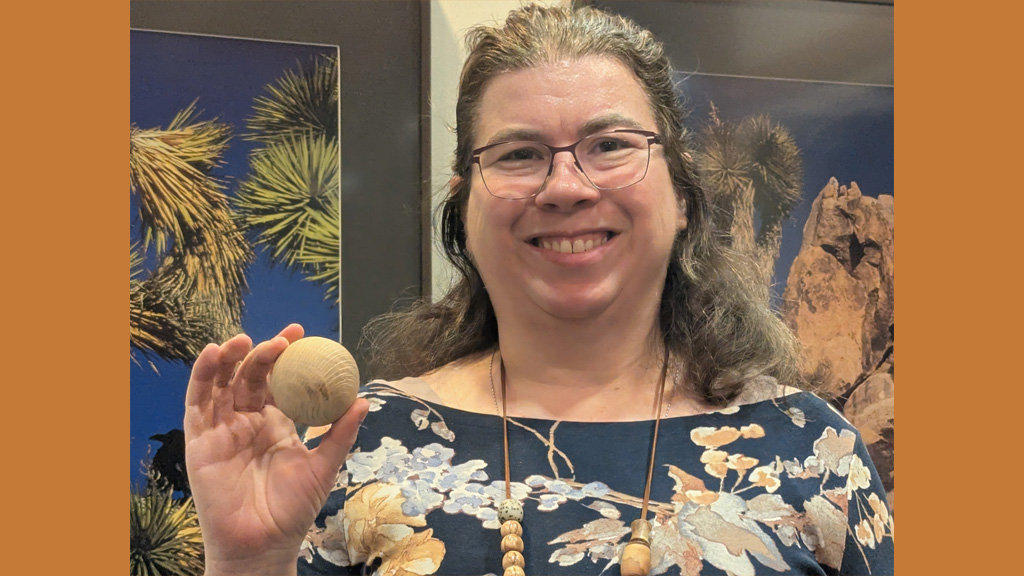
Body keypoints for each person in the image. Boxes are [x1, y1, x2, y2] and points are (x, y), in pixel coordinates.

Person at [184, 4, 894, 576]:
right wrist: (248, 562)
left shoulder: (811, 451)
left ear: (681, 194)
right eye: (520, 154)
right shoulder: (355, 450)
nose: (565, 186)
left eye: (610, 145)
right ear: (464, 206)